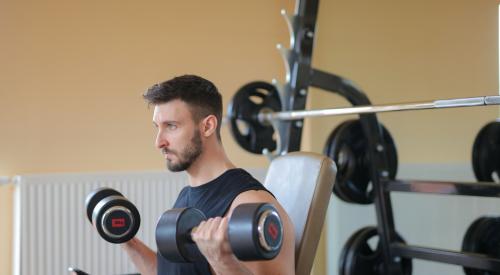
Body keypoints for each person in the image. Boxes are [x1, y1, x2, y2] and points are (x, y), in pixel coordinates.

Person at [122, 75, 295, 275]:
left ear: (207, 126)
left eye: (171, 126)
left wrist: (223, 261)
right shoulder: (188, 195)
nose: (159, 142)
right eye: (157, 127)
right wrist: (127, 240)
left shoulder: (249, 205)